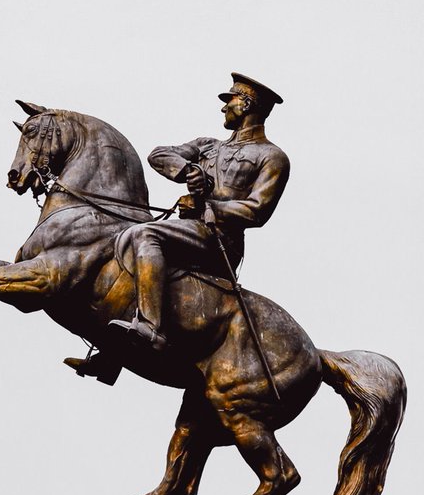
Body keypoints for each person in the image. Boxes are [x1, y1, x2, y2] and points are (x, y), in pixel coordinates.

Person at [107, 72, 290, 351]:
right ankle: (111, 353)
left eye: (229, 100)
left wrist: (208, 207)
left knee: (145, 235)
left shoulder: (271, 157)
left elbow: (257, 210)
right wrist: (187, 170)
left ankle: (150, 328)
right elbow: (159, 154)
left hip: (219, 241)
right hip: (189, 231)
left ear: (246, 105)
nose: (223, 107)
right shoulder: (208, 145)